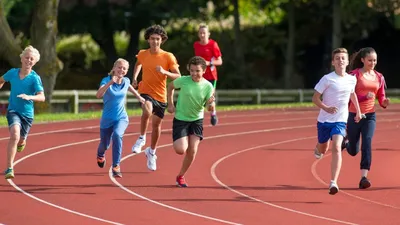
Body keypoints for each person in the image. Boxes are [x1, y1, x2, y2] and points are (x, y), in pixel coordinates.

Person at [312, 47, 363, 195]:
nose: (340, 60)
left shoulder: (351, 79)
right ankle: (319, 146)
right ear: (333, 62)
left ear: (347, 62)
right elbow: (315, 98)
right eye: (337, 58)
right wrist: (326, 108)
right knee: (323, 148)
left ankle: (333, 182)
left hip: (340, 120)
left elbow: (352, 94)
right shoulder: (327, 79)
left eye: (343, 58)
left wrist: (358, 111)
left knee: (336, 146)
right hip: (324, 120)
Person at [131, 25, 181, 171]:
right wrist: (134, 77)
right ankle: (141, 138)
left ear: (162, 40)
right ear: (148, 40)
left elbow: (178, 75)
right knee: (147, 110)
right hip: (145, 91)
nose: (155, 42)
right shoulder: (143, 54)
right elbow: (138, 63)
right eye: (152, 39)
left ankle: (151, 152)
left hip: (161, 95)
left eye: (157, 39)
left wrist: (165, 72)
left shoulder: (168, 56)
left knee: (156, 126)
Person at [342, 47, 389, 189]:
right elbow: (348, 97)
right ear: (362, 60)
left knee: (367, 142)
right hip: (354, 115)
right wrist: (363, 97)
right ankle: (347, 143)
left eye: (375, 60)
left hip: (370, 116)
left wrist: (384, 102)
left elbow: (381, 96)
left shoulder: (379, 77)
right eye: (370, 60)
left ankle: (364, 177)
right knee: (353, 151)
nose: (373, 63)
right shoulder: (354, 76)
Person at [167, 56, 215, 187]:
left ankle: (181, 176)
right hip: (181, 119)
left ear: (204, 71)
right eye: (192, 70)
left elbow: (208, 106)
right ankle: (182, 140)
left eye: (197, 71)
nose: (194, 73)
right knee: (181, 150)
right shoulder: (183, 80)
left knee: (192, 150)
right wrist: (170, 104)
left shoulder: (208, 86)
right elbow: (170, 87)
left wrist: (211, 106)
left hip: (196, 120)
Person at [0, 45, 45, 179]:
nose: (28, 61)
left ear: (35, 62)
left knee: (20, 139)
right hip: (13, 110)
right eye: (27, 57)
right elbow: (1, 80)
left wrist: (29, 97)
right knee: (14, 135)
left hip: (27, 115)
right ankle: (9, 167)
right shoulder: (13, 73)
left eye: (32, 59)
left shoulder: (34, 78)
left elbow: (42, 97)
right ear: (22, 58)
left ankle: (22, 141)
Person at [96, 58, 145, 178]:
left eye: (124, 68)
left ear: (127, 71)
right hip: (107, 119)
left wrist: (140, 98)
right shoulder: (106, 80)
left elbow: (130, 88)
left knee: (118, 135)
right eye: (119, 67)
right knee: (105, 145)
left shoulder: (126, 81)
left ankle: (116, 166)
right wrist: (110, 82)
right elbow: (98, 95)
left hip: (121, 118)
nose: (121, 70)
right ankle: (100, 154)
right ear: (114, 68)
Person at [193, 24, 223, 126]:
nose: (202, 35)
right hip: (199, 76)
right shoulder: (196, 45)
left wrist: (209, 63)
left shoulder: (213, 44)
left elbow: (220, 61)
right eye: (200, 33)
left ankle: (213, 113)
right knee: (198, 97)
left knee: (210, 99)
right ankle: (197, 119)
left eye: (204, 33)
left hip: (211, 76)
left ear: (208, 34)